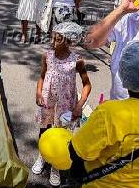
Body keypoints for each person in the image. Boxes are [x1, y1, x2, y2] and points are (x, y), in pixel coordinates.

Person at [39, 39, 139, 187]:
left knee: (51, 137)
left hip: (107, 184)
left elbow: (78, 152)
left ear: (125, 74)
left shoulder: (110, 113)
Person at [33, 22, 92, 186]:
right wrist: (38, 92)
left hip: (66, 104)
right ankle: (42, 155)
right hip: (48, 100)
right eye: (52, 37)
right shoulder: (47, 56)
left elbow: (87, 84)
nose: (52, 42)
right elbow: (42, 76)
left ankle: (56, 165)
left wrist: (80, 105)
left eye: (57, 39)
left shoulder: (77, 60)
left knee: (61, 134)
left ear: (68, 41)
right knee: (44, 129)